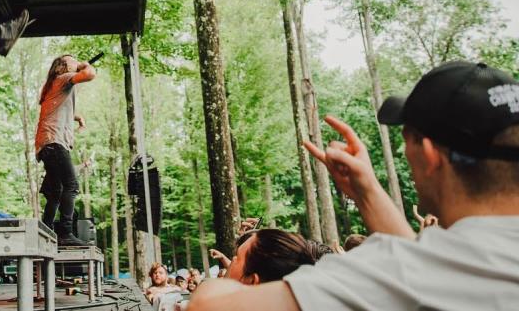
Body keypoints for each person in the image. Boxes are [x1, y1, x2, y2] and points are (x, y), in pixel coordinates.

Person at [188, 60, 519, 310]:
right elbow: (428, 271)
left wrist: (219, 278)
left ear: (430, 154)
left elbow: (208, 308)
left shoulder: (412, 269)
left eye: (407, 142)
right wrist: (367, 193)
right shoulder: (470, 264)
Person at [34, 54, 96, 246]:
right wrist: (84, 65)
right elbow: (90, 74)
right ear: (61, 67)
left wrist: (77, 118)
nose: (76, 62)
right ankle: (65, 233)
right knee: (71, 186)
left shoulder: (53, 85)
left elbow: (57, 109)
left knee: (56, 191)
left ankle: (45, 229)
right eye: (72, 60)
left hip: (46, 144)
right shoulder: (62, 79)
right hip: (55, 143)